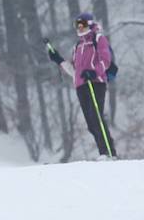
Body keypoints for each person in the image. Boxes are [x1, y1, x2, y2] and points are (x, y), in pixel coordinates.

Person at [47, 12, 117, 159]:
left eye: (82, 25)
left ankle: (109, 153)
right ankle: (103, 153)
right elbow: (74, 71)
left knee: (96, 116)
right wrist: (58, 59)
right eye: (76, 25)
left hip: (95, 83)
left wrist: (93, 72)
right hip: (81, 86)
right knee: (91, 123)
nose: (79, 28)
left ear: (90, 24)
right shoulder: (78, 46)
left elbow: (106, 60)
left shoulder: (98, 39)